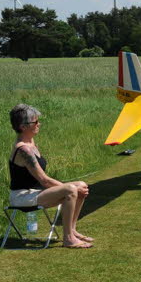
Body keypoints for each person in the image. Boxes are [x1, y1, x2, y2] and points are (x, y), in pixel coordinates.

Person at [8, 104, 92, 249]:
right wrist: (72, 189)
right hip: (22, 197)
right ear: (23, 126)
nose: (39, 124)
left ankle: (72, 230)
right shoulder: (23, 149)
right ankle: (68, 239)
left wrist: (76, 189)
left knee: (81, 184)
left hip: (34, 193)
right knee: (72, 190)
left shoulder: (31, 142)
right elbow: (44, 180)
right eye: (35, 122)